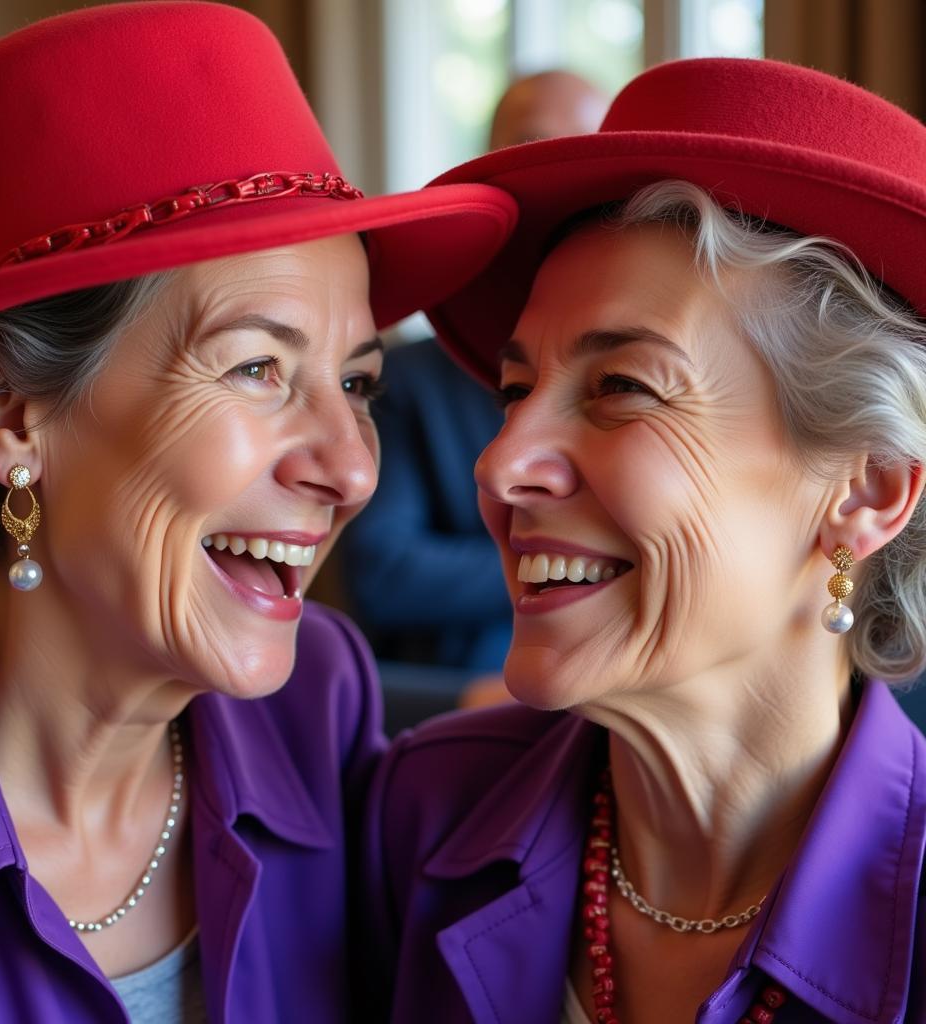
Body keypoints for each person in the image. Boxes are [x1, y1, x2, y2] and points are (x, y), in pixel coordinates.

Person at [0, 4, 515, 1021]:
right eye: (257, 367)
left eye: (357, 384)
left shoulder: (317, 701)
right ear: (7, 409)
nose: (350, 470)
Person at [360, 58, 926, 1023]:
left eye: (624, 387)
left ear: (864, 490)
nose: (500, 466)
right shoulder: (417, 816)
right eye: (513, 392)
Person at [341, 71, 607, 676]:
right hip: (448, 689)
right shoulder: (407, 378)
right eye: (536, 148)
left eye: (586, 148)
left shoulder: (639, 378)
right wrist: (577, 559)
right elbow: (385, 571)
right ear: (490, 164)